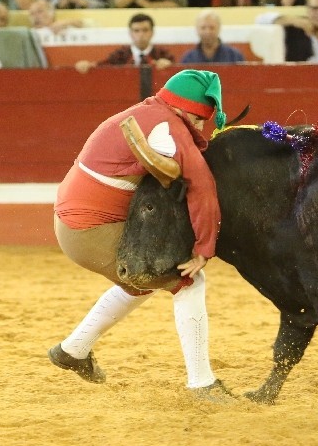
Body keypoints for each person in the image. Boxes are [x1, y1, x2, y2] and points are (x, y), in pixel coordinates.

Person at [48, 69, 234, 403]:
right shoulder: (169, 128)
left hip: (75, 222)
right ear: (187, 109)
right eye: (200, 119)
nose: (201, 127)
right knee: (187, 279)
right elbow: (202, 187)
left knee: (144, 279)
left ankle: (73, 350)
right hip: (89, 229)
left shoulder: (147, 114)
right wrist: (204, 247)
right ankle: (202, 384)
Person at [74, 12, 174, 73]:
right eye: (136, 31)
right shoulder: (120, 54)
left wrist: (169, 65)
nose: (141, 34)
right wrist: (87, 65)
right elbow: (103, 66)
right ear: (130, 33)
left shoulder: (163, 54)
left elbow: (176, 70)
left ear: (152, 32)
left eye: (145, 30)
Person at [179, 10, 245, 64]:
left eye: (212, 28)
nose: (207, 32)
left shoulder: (234, 56)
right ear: (197, 30)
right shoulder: (188, 59)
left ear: (219, 28)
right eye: (203, 28)